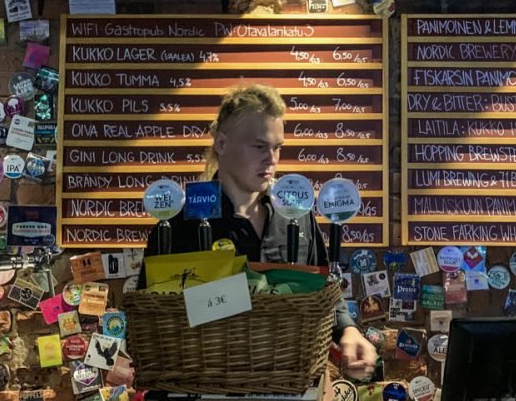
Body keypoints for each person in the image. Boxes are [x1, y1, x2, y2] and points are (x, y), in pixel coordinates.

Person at [144, 83, 378, 381]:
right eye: (259, 146)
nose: (272, 159)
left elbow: (322, 286)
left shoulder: (296, 214)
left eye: (277, 147)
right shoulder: (180, 223)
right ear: (222, 144)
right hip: (206, 398)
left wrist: (348, 329)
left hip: (290, 392)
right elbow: (152, 315)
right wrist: (243, 293)